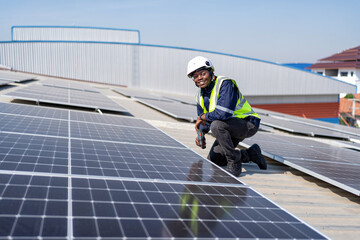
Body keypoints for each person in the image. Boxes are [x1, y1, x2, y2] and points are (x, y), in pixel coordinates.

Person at [187, 56, 267, 177]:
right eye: (195, 76)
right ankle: (252, 154)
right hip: (228, 126)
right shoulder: (200, 95)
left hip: (248, 123)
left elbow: (223, 114)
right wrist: (201, 133)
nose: (200, 78)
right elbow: (206, 119)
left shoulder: (225, 84)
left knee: (217, 125)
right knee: (215, 159)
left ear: (210, 71)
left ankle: (234, 162)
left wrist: (202, 118)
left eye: (202, 73)